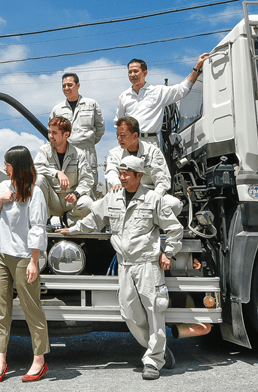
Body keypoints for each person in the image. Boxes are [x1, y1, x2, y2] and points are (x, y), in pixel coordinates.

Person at [59, 155, 185, 380]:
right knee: (128, 312)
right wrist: (73, 229)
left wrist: (169, 253)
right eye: (121, 173)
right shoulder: (113, 197)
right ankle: (160, 351)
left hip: (147, 263)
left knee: (155, 311)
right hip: (125, 265)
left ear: (139, 176)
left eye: (127, 174)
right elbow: (95, 219)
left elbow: (175, 229)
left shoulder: (153, 198)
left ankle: (153, 362)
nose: (122, 177)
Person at [0, 146, 50, 383]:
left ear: (19, 166)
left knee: (32, 308)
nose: (4, 168)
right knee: (0, 310)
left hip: (24, 257)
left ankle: (39, 360)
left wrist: (34, 261)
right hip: (1, 254)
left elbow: (37, 227)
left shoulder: (35, 192)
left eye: (8, 165)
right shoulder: (3, 187)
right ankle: (1, 361)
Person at [114, 55, 208, 148]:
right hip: (131, 143)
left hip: (151, 143)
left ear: (145, 73)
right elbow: (118, 122)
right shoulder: (124, 96)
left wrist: (196, 68)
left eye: (136, 71)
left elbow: (182, 89)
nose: (132, 74)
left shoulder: (158, 91)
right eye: (130, 72)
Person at [36, 116, 99, 224]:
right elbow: (36, 168)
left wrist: (76, 194)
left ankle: (65, 220)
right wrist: (57, 173)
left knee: (88, 204)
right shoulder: (44, 150)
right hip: (52, 200)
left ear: (66, 135)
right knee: (38, 179)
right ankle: (44, 220)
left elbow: (87, 180)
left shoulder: (79, 154)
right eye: (50, 132)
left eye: (54, 133)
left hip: (70, 200)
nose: (50, 136)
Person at [104, 116, 170, 194]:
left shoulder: (153, 152)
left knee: (174, 203)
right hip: (124, 193)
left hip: (149, 193)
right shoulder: (114, 153)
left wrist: (155, 197)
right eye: (117, 135)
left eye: (123, 135)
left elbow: (162, 179)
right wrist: (116, 184)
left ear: (135, 136)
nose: (119, 138)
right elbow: (111, 172)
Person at [50, 73, 103, 165]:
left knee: (88, 178)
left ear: (78, 85)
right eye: (64, 86)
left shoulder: (91, 104)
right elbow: (51, 132)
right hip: (66, 153)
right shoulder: (57, 109)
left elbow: (100, 127)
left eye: (70, 85)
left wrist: (88, 141)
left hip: (87, 152)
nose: (66, 88)